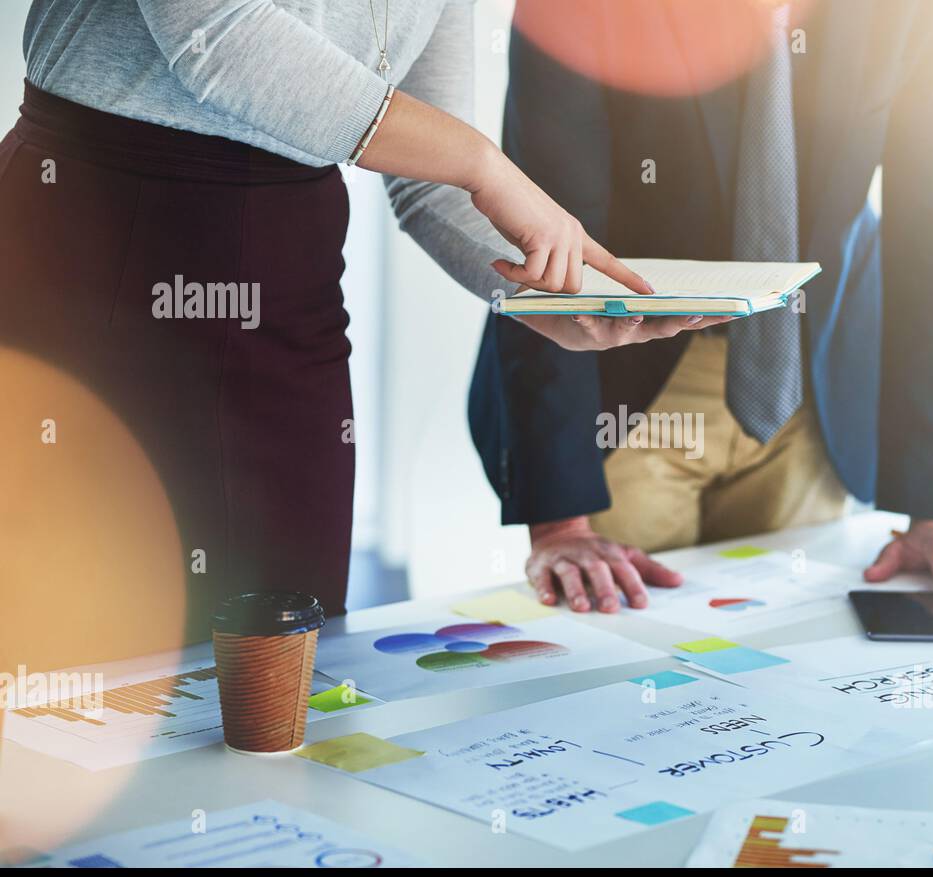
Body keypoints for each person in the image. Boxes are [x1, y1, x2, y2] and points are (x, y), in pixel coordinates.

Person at [0, 0, 731, 643]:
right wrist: (481, 162)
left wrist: (551, 302)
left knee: (286, 646)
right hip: (96, 241)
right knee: (82, 642)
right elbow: (215, 33)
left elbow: (429, 179)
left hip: (290, 267)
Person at [469, 0, 933, 614]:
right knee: (618, 650)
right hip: (622, 384)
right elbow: (547, 233)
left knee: (791, 665)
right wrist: (561, 523)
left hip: (805, 386)